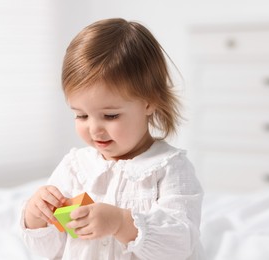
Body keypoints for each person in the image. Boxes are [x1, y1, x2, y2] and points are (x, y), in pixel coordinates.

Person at [20, 18, 203, 260]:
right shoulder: (76, 167)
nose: (94, 129)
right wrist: (37, 217)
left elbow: (180, 244)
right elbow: (48, 252)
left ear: (149, 101)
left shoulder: (170, 168)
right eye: (81, 115)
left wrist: (121, 223)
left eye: (110, 115)